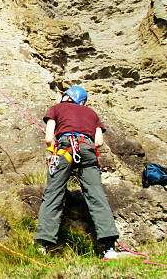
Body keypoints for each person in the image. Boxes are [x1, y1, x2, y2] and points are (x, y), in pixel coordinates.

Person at [34, 85, 120, 260]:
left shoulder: (57, 108)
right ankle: (109, 247)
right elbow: (99, 142)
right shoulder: (92, 114)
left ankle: (43, 244)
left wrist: (54, 151)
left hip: (65, 149)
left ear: (68, 97)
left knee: (53, 193)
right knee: (96, 195)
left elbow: (49, 138)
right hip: (88, 150)